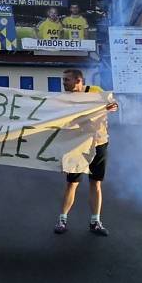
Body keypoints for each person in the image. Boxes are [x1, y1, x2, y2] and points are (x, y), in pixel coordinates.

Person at [54, 69, 118, 236]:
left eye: (67, 80)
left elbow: (113, 103)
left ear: (78, 80)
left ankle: (95, 221)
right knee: (72, 183)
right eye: (64, 80)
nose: (64, 83)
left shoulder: (95, 92)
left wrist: (113, 106)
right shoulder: (66, 99)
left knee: (95, 183)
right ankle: (62, 219)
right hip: (77, 145)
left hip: (99, 142)